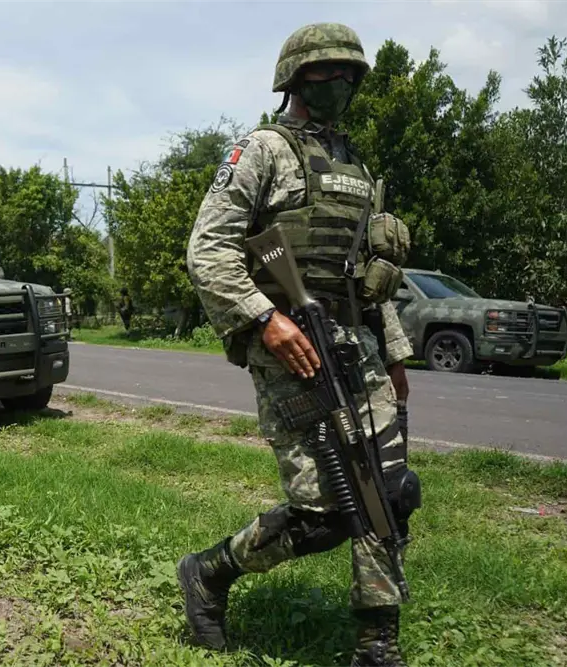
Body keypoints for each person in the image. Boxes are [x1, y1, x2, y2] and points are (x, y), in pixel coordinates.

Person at [178, 23, 419, 667]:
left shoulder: (357, 168)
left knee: (388, 491)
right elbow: (208, 250)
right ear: (296, 79)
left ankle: (376, 644)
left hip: (355, 348)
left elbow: (369, 276)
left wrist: (392, 352)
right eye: (327, 73)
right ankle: (209, 573)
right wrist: (264, 319)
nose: (341, 84)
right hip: (291, 347)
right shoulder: (261, 151)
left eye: (350, 75)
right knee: (324, 514)